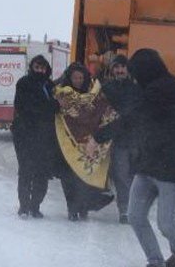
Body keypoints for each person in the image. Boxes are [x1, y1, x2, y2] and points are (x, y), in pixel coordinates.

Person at [92, 49, 175, 267]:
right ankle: (155, 261)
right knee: (135, 216)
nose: (134, 78)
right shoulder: (148, 87)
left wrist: (102, 134)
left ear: (146, 70)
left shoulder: (166, 88)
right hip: (147, 164)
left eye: (136, 73)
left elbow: (134, 115)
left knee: (166, 224)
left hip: (168, 167)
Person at [54, 62, 115, 221]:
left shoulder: (94, 96)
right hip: (67, 144)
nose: (78, 80)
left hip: (87, 144)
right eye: (75, 77)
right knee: (69, 179)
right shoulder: (62, 94)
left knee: (84, 178)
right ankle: (72, 208)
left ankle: (83, 207)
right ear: (69, 78)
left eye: (81, 77)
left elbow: (99, 109)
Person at [11, 55, 59, 219]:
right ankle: (24, 206)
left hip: (45, 137)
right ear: (32, 68)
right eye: (37, 67)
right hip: (26, 134)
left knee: (42, 173)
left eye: (42, 68)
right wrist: (51, 107)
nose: (39, 70)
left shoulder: (51, 86)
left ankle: (35, 206)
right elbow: (25, 107)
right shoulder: (24, 83)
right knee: (26, 171)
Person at [101, 54, 139, 224]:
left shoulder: (137, 89)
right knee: (122, 176)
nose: (120, 70)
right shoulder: (107, 88)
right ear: (112, 70)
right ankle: (125, 211)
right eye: (116, 67)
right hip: (118, 139)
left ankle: (136, 209)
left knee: (137, 177)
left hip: (137, 139)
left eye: (123, 67)